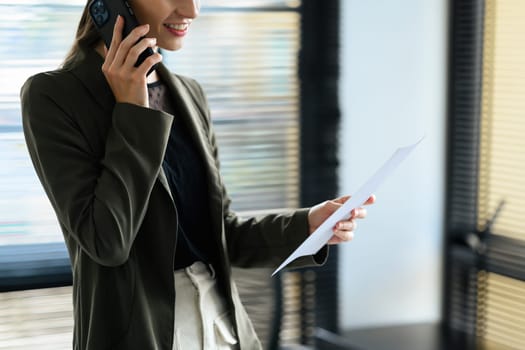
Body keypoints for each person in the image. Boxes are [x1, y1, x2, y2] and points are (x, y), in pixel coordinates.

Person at [20, 0, 375, 349]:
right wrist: (133, 110)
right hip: (141, 333)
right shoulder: (53, 96)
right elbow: (107, 241)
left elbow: (221, 232)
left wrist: (309, 224)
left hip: (222, 327)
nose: (191, 10)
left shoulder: (188, 93)